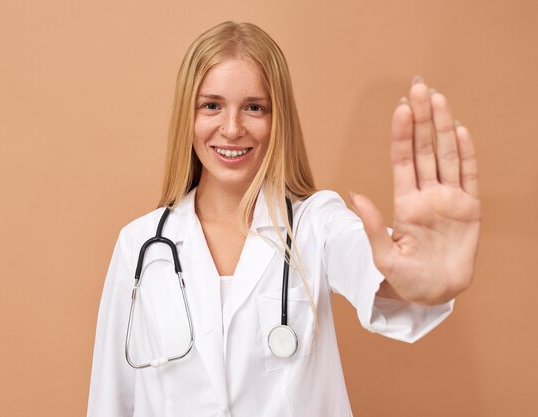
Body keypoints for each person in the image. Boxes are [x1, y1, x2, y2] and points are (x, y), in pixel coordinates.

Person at [87, 21, 481, 417]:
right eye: (211, 105)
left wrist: (415, 280)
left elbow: (366, 261)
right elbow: (111, 400)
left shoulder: (315, 223)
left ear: (280, 120)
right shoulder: (140, 245)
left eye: (254, 107)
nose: (232, 128)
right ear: (186, 116)